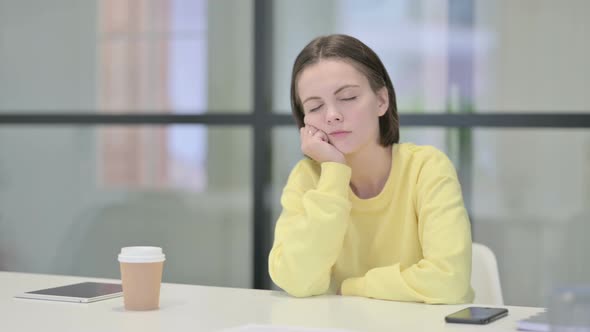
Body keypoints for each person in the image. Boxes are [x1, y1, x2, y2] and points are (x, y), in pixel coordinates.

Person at [268, 34, 474, 304]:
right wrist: (333, 171)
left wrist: (351, 287)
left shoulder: (427, 168)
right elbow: (295, 280)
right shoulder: (307, 178)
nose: (332, 115)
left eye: (348, 97)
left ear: (381, 101)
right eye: (315, 106)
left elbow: (448, 281)